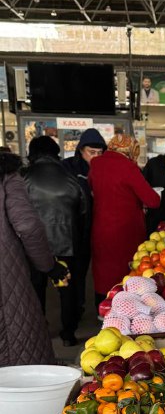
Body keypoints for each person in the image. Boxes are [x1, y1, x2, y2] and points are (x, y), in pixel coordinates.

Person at [22, 135, 87, 347]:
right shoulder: (71, 179)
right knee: (67, 290)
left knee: (36, 289)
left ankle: (39, 333)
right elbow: (83, 211)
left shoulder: (25, 179)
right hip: (66, 244)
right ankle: (68, 334)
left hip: (34, 246)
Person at [0, 149, 60, 365]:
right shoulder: (5, 174)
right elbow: (27, 226)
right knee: (18, 353)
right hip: (6, 280)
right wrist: (47, 265)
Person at [88, 133, 160, 309]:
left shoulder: (95, 165)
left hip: (100, 226)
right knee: (124, 272)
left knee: (103, 269)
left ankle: (101, 307)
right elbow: (153, 201)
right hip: (125, 230)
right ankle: (122, 310)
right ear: (130, 150)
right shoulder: (128, 167)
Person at [62, 128, 107, 319]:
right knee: (76, 271)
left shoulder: (106, 168)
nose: (96, 157)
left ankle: (102, 305)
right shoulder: (68, 167)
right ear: (81, 150)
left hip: (98, 225)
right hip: (76, 229)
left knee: (98, 268)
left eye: (99, 153)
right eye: (92, 152)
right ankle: (76, 306)